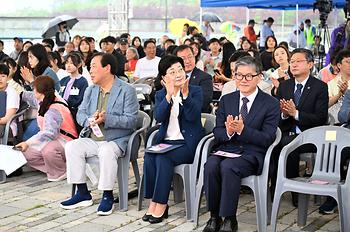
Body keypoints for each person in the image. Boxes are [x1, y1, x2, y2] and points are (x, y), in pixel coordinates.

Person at [203, 56, 280, 232]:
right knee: (211, 165)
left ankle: (229, 219)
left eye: (248, 76)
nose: (243, 80)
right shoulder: (227, 99)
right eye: (239, 75)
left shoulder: (270, 103)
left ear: (259, 77)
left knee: (229, 167)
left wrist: (243, 130)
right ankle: (214, 217)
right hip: (226, 149)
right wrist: (229, 131)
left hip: (251, 153)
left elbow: (268, 138)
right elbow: (218, 132)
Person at [60, 53, 139, 215]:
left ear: (107, 68)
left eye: (94, 67)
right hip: (93, 137)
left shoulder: (127, 90)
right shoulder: (91, 89)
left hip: (117, 140)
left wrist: (107, 119)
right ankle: (82, 192)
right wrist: (90, 120)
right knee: (72, 146)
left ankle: (107, 195)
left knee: (106, 150)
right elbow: (80, 114)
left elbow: (131, 121)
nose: (90, 71)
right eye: (90, 68)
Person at [143, 55, 203, 224]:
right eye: (172, 72)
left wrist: (185, 96)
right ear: (164, 78)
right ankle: (153, 201)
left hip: (187, 144)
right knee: (149, 155)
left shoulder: (195, 91)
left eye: (180, 70)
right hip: (167, 142)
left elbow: (192, 117)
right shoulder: (162, 94)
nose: (178, 74)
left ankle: (161, 203)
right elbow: (160, 117)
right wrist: (169, 96)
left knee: (163, 157)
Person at [271, 48, 328, 206]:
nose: (293, 64)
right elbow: (278, 118)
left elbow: (321, 118)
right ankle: (275, 183)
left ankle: (290, 187)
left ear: (310, 64)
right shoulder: (284, 86)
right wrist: (284, 114)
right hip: (286, 132)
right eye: (292, 62)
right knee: (273, 141)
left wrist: (295, 113)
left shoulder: (320, 87)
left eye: (298, 61)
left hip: (309, 135)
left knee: (286, 143)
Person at [15, 76, 78, 181]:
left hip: (66, 141)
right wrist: (14, 92)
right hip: (53, 140)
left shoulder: (54, 109)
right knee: (25, 154)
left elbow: (50, 133)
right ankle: (52, 167)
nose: (33, 90)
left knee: (48, 150)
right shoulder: (42, 100)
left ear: (40, 92)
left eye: (34, 88)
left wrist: (28, 143)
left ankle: (62, 171)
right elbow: (29, 96)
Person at [174, 45, 213, 113]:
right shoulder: (172, 77)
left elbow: (203, 103)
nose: (187, 61)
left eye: (190, 57)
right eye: (183, 59)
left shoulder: (205, 78)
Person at [327, 50, 350, 124]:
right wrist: (339, 95)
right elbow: (325, 105)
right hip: (334, 123)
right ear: (339, 65)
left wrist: (347, 94)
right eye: (347, 62)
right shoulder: (331, 84)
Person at [0, 64, 20, 138]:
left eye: (3, 76)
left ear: (7, 77)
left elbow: (7, 118)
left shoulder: (12, 93)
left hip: (7, 126)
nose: (0, 79)